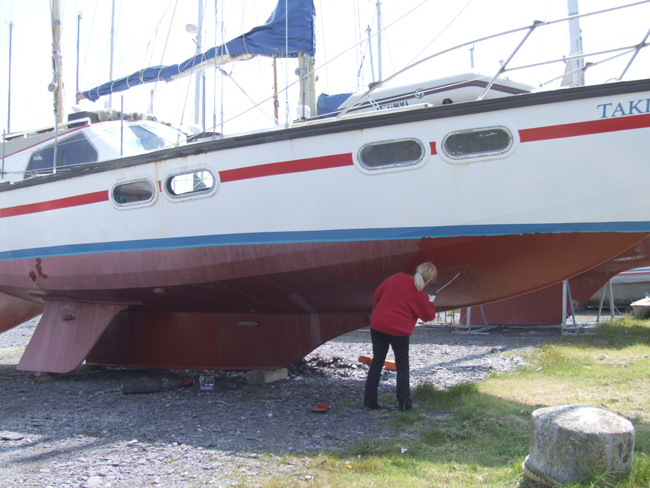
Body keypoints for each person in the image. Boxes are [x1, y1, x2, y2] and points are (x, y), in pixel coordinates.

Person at [363, 262, 438, 411]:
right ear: (429, 280)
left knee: (377, 362)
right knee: (402, 365)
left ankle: (369, 402)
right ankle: (404, 404)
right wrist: (431, 303)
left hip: (378, 325)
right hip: (398, 331)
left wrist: (378, 311)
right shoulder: (420, 295)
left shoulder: (397, 278)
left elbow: (378, 293)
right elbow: (428, 316)